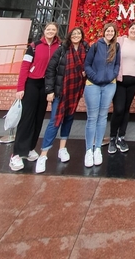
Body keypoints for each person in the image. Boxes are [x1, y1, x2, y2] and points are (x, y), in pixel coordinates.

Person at [35, 27, 88, 173]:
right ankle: (43, 155)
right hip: (61, 91)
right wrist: (50, 90)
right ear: (70, 36)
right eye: (74, 34)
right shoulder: (62, 49)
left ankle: (62, 148)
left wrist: (86, 72)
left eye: (79, 33)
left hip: (75, 91)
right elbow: (51, 70)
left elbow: (89, 66)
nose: (76, 36)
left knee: (69, 119)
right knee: (54, 121)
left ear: (82, 36)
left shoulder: (85, 48)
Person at [9, 22, 61, 171]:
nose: (50, 31)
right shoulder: (34, 46)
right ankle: (17, 154)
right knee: (27, 118)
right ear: (44, 31)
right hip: (32, 83)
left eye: (53, 29)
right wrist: (20, 87)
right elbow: (24, 67)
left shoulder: (59, 46)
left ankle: (30, 148)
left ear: (57, 32)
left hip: (46, 85)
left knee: (39, 117)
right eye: (48, 29)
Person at [84, 23, 120, 167]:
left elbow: (117, 64)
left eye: (112, 31)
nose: (110, 33)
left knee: (103, 116)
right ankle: (88, 150)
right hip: (93, 85)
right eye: (108, 31)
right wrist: (95, 77)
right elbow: (87, 64)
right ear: (104, 32)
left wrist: (112, 75)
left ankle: (98, 148)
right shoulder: (95, 46)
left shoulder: (116, 47)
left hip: (109, 85)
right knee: (92, 117)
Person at [108, 21, 135, 154]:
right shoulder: (120, 41)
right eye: (132, 28)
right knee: (118, 109)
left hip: (133, 81)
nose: (134, 30)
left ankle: (121, 137)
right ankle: (112, 137)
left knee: (126, 109)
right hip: (120, 80)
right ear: (128, 30)